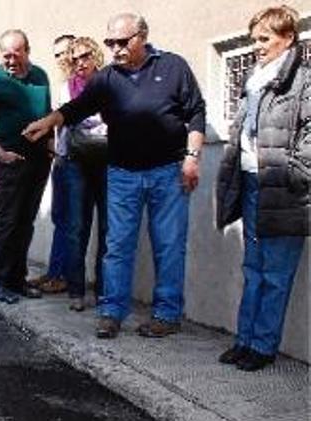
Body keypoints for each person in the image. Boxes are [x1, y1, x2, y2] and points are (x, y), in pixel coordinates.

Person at [23, 12, 206, 338]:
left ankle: (166, 315)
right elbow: (77, 107)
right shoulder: (106, 78)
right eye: (110, 42)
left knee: (169, 246)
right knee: (117, 246)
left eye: (123, 41)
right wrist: (49, 123)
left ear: (143, 36)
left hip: (168, 172)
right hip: (122, 174)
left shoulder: (173, 66)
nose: (116, 48)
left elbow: (195, 112)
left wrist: (192, 157)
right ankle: (112, 311)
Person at [215, 5, 309, 372]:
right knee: (253, 267)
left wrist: (293, 173)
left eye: (264, 38)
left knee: (276, 273)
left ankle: (264, 346)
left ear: (287, 38)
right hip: (252, 182)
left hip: (284, 189)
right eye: (255, 38)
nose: (257, 45)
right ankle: (245, 340)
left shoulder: (303, 80)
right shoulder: (253, 79)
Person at [0, 29, 53, 304]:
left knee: (26, 222)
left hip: (40, 160)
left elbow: (47, 114)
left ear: (27, 51)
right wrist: (1, 154)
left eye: (16, 54)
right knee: (7, 222)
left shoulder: (40, 76)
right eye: (5, 55)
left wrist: (51, 146)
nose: (10, 60)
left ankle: (18, 280)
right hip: (10, 161)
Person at [60, 37, 109, 312]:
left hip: (108, 162)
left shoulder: (110, 84)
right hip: (76, 163)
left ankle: (103, 291)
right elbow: (62, 125)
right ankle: (76, 291)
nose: (81, 62)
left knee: (107, 229)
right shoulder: (65, 89)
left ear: (96, 56)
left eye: (85, 56)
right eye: (74, 58)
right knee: (76, 228)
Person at [28, 34, 75, 295]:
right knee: (60, 217)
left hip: (78, 160)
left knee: (71, 221)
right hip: (62, 157)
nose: (62, 58)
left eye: (66, 52)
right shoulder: (62, 85)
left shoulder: (81, 83)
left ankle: (64, 276)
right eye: (56, 54)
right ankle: (55, 272)